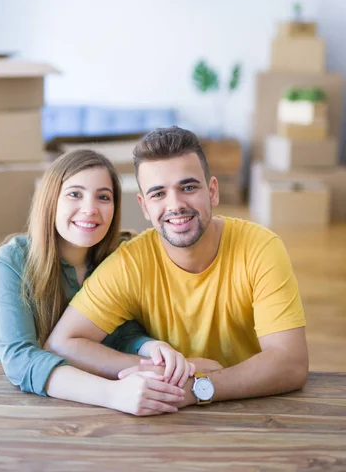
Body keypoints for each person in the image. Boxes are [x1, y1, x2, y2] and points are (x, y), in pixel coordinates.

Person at [46, 127, 309, 410]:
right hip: (165, 415)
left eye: (188, 188)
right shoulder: (131, 263)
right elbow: (61, 343)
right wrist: (149, 369)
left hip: (254, 409)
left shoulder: (260, 248)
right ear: (144, 206)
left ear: (212, 191)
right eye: (158, 193)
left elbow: (291, 363)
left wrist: (196, 387)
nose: (175, 205)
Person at [0, 148, 194, 416]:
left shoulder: (121, 255)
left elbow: (121, 334)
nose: (90, 209)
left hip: (92, 394)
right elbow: (19, 358)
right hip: (12, 395)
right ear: (51, 200)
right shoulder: (12, 260)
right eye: (75, 194)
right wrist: (113, 394)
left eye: (103, 197)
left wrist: (150, 347)